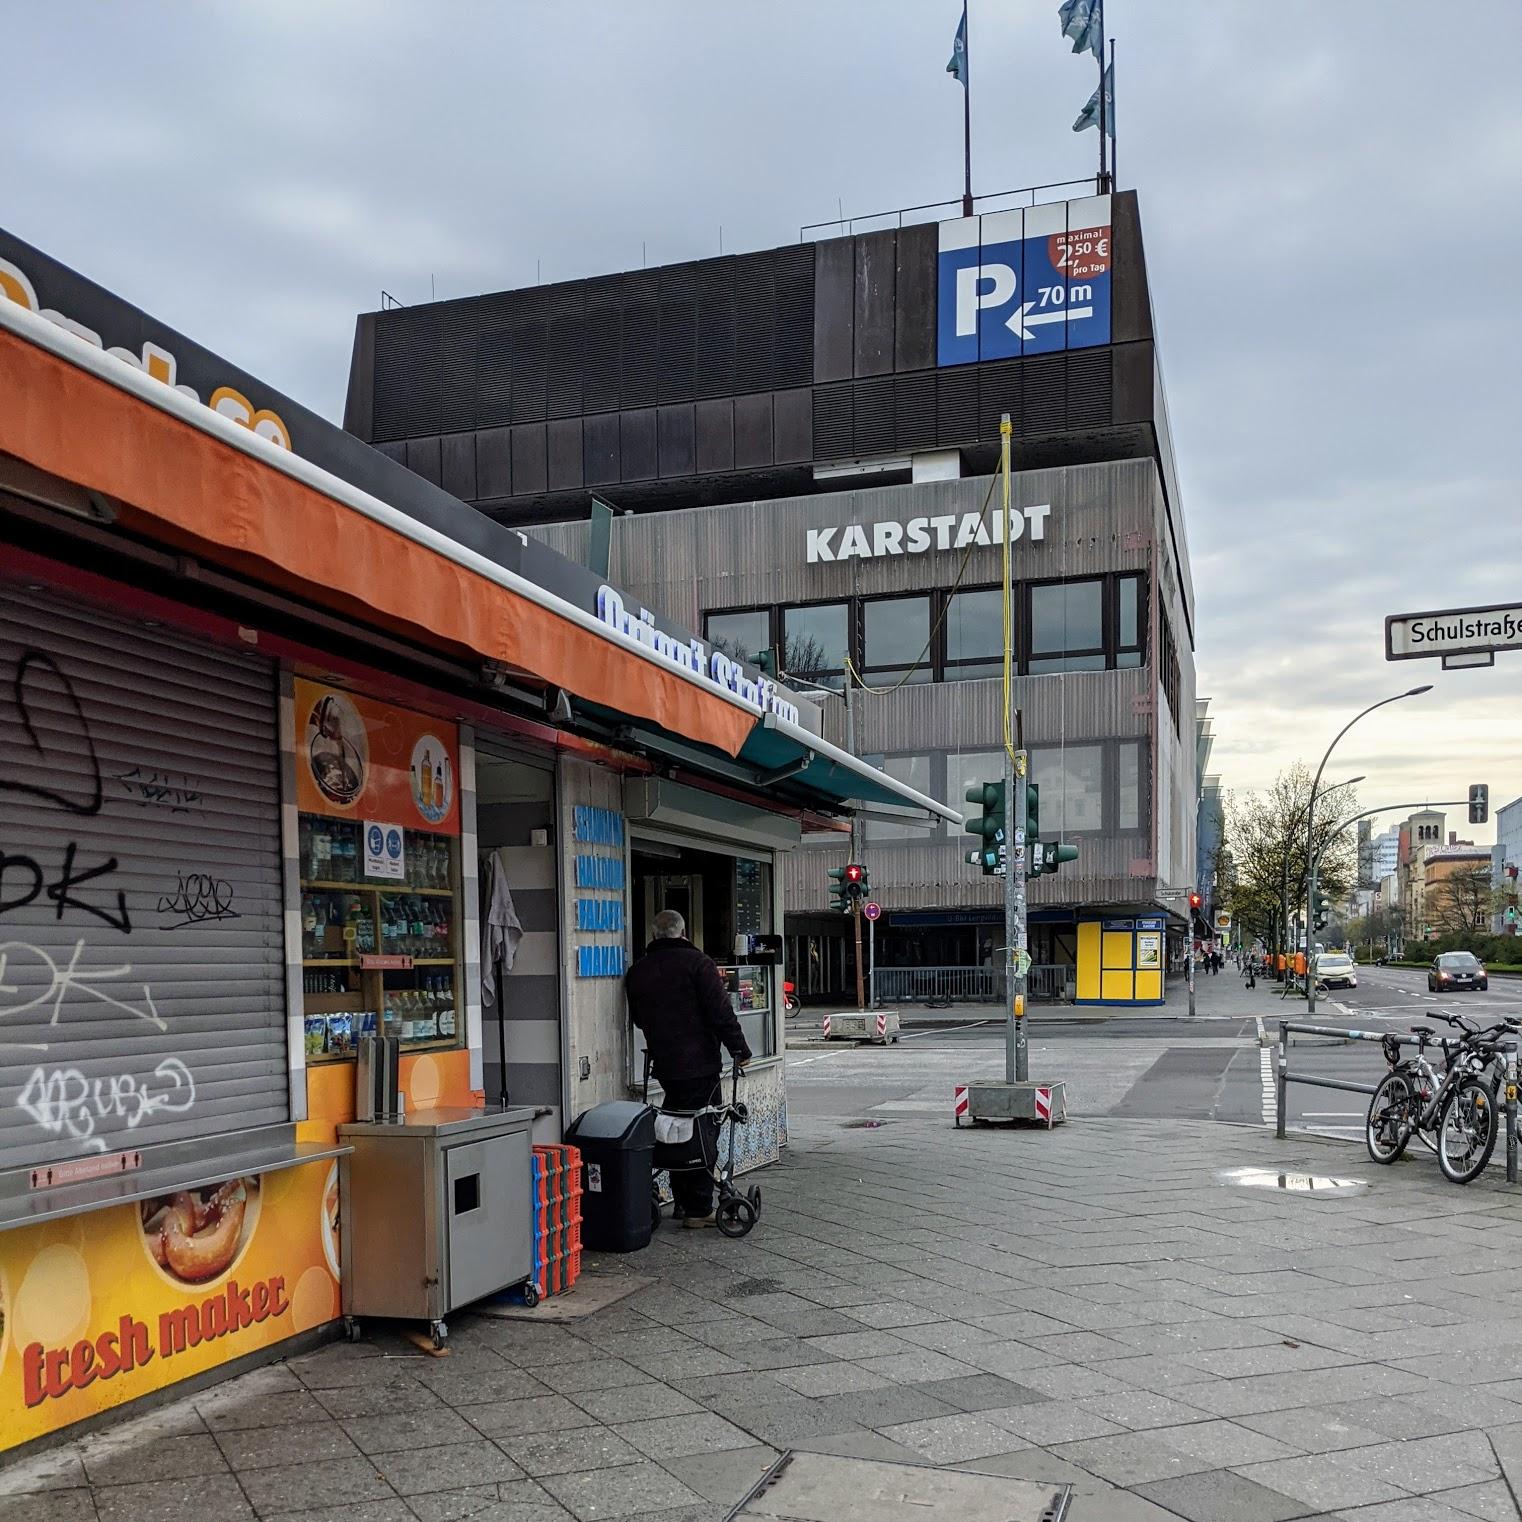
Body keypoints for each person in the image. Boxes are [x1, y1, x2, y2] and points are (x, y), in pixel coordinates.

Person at [625, 908, 752, 1228]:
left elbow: (639, 1019)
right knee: (703, 1130)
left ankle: (682, 1200)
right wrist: (740, 1049)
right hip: (700, 1065)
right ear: (683, 933)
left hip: (665, 1065)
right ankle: (696, 1208)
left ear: (655, 935)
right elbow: (720, 1013)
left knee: (676, 1126)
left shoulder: (638, 971)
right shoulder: (699, 964)